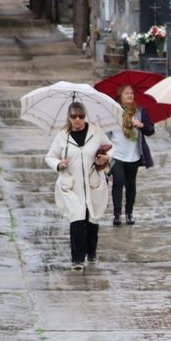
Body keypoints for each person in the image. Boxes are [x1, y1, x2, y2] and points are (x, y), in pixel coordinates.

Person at [44, 101, 112, 271]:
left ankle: (91, 252)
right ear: (69, 117)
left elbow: (111, 148)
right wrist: (59, 163)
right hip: (71, 185)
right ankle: (77, 259)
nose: (78, 120)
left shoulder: (96, 132)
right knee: (76, 219)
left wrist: (106, 158)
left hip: (92, 182)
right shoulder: (62, 136)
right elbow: (50, 157)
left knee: (92, 218)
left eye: (81, 116)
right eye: (74, 116)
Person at [108, 85, 154, 226]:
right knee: (118, 181)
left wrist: (141, 125)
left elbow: (150, 130)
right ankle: (117, 215)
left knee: (131, 185)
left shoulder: (140, 112)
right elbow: (105, 132)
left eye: (132, 93)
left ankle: (129, 213)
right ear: (120, 96)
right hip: (116, 154)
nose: (130, 96)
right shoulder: (112, 112)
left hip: (133, 155)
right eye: (126, 93)